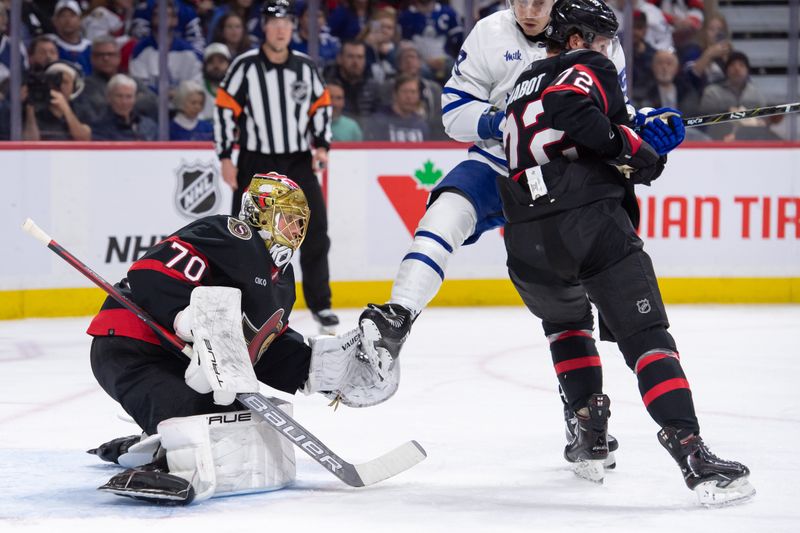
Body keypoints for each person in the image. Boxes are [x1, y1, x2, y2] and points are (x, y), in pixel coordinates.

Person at [358, 0, 683, 471]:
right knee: (445, 211)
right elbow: (453, 112)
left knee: (573, 302)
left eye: (540, 0)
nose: (529, 9)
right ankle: (398, 315)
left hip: (567, 173)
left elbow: (619, 111)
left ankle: (583, 416)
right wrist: (499, 123)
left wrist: (647, 121)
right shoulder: (489, 33)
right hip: (499, 160)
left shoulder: (591, 32)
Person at [498, 0, 753, 504]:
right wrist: (633, 147)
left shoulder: (518, 87)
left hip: (525, 237)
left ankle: (590, 438)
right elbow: (578, 112)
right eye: (599, 39)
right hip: (587, 224)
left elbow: (569, 130)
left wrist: (636, 135)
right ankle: (693, 453)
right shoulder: (587, 66)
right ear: (574, 40)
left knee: (567, 325)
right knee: (647, 337)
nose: (606, 50)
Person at [87, 173, 396, 505]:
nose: (295, 229)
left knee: (232, 423)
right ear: (258, 213)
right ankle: (164, 466)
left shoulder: (282, 281)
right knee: (197, 427)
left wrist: (319, 369)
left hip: (176, 364)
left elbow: (262, 348)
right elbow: (150, 270)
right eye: (286, 217)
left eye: (299, 221)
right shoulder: (230, 234)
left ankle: (140, 446)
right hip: (132, 346)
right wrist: (190, 320)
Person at [214, 0, 338, 334]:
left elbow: (321, 106)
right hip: (256, 160)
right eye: (274, 23)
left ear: (293, 28)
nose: (281, 29)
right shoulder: (245, 66)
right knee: (246, 234)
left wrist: (322, 146)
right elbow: (225, 108)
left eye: (286, 23)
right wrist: (226, 156)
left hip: (297, 160)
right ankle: (242, 302)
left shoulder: (305, 66)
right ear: (264, 28)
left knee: (314, 231)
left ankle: (321, 304)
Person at [129, 0, 203, 95]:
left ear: (175, 20)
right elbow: (139, 85)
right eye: (158, 15)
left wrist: (177, 95)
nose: (162, 19)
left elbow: (195, 84)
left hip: (181, 106)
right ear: (152, 19)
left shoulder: (188, 52)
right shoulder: (140, 49)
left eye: (166, 15)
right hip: (151, 106)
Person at [23, 60, 92, 141]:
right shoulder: (33, 106)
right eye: (55, 81)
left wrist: (66, 110)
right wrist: (30, 110)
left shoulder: (82, 108)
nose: (60, 86)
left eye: (65, 82)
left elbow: (84, 139)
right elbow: (29, 143)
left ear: (74, 86)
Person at [90, 73, 158, 140]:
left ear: (135, 98)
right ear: (109, 97)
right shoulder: (98, 127)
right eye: (119, 96)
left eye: (129, 97)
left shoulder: (149, 125)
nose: (124, 102)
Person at [364, 73, 430, 142]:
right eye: (405, 92)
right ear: (395, 94)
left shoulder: (421, 125)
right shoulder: (378, 122)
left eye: (413, 92)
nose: (409, 97)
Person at [49, 0, 93, 76]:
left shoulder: (90, 46)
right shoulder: (50, 45)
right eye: (63, 16)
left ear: (80, 19)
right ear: (55, 21)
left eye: (72, 15)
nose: (67, 20)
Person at [199, 42, 231, 121]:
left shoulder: (238, 88)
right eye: (211, 62)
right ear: (204, 66)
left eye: (221, 61)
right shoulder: (197, 87)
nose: (216, 66)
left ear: (229, 65)